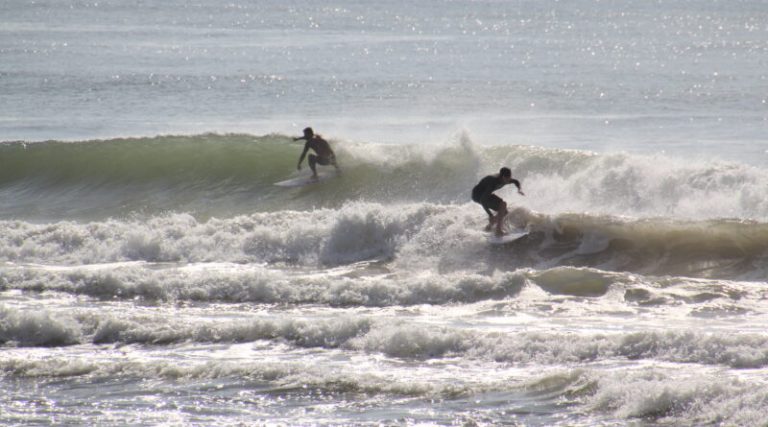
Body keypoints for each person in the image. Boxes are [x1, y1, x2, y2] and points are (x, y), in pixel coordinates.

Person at [471, 167, 524, 236]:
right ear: (502, 177)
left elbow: (516, 181)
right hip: (478, 195)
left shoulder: (507, 179)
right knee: (503, 204)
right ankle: (498, 231)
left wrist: (519, 189)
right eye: (507, 178)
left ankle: (489, 227)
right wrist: (490, 215)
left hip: (486, 194)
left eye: (509, 177)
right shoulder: (493, 181)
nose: (508, 180)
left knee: (504, 212)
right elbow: (483, 200)